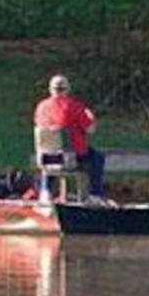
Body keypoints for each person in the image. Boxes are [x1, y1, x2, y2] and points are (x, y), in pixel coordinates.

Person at [33, 74, 109, 205]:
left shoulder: (41, 107)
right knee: (98, 157)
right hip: (71, 157)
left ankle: (45, 192)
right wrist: (90, 115)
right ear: (67, 89)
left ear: (51, 89)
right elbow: (91, 129)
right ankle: (95, 194)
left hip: (45, 157)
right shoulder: (74, 107)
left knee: (52, 157)